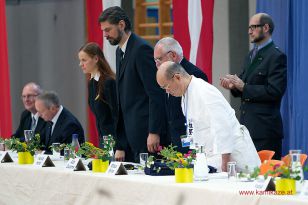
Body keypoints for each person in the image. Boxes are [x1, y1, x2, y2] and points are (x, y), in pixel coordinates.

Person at [157, 61, 261, 172]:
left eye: (166, 87)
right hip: (211, 156)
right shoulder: (185, 95)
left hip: (231, 158)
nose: (167, 91)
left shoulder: (204, 91)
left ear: (177, 77)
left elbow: (223, 125)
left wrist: (225, 161)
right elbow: (194, 128)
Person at [99, 6, 167, 162]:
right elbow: (122, 102)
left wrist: (154, 131)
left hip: (146, 136)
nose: (105, 35)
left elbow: (155, 93)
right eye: (103, 31)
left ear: (121, 25)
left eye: (108, 30)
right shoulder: (119, 51)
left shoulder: (141, 49)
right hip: (130, 137)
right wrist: (120, 144)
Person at [220, 13, 287, 160]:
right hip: (247, 128)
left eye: (253, 27)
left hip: (265, 131)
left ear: (266, 28)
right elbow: (244, 88)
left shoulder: (276, 56)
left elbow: (275, 91)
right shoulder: (251, 55)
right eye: (249, 27)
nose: (249, 31)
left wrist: (244, 87)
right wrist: (233, 86)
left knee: (268, 178)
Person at [154, 37, 208, 153]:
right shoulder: (166, 73)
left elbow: (201, 115)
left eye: (159, 59)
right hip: (173, 140)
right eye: (155, 60)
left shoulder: (195, 75)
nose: (157, 64)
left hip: (191, 141)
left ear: (173, 55)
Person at [78, 42, 117, 148]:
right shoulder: (92, 83)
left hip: (115, 141)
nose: (80, 64)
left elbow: (117, 116)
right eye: (80, 61)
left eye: (84, 60)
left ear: (96, 59)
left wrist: (120, 146)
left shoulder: (109, 82)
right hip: (103, 140)